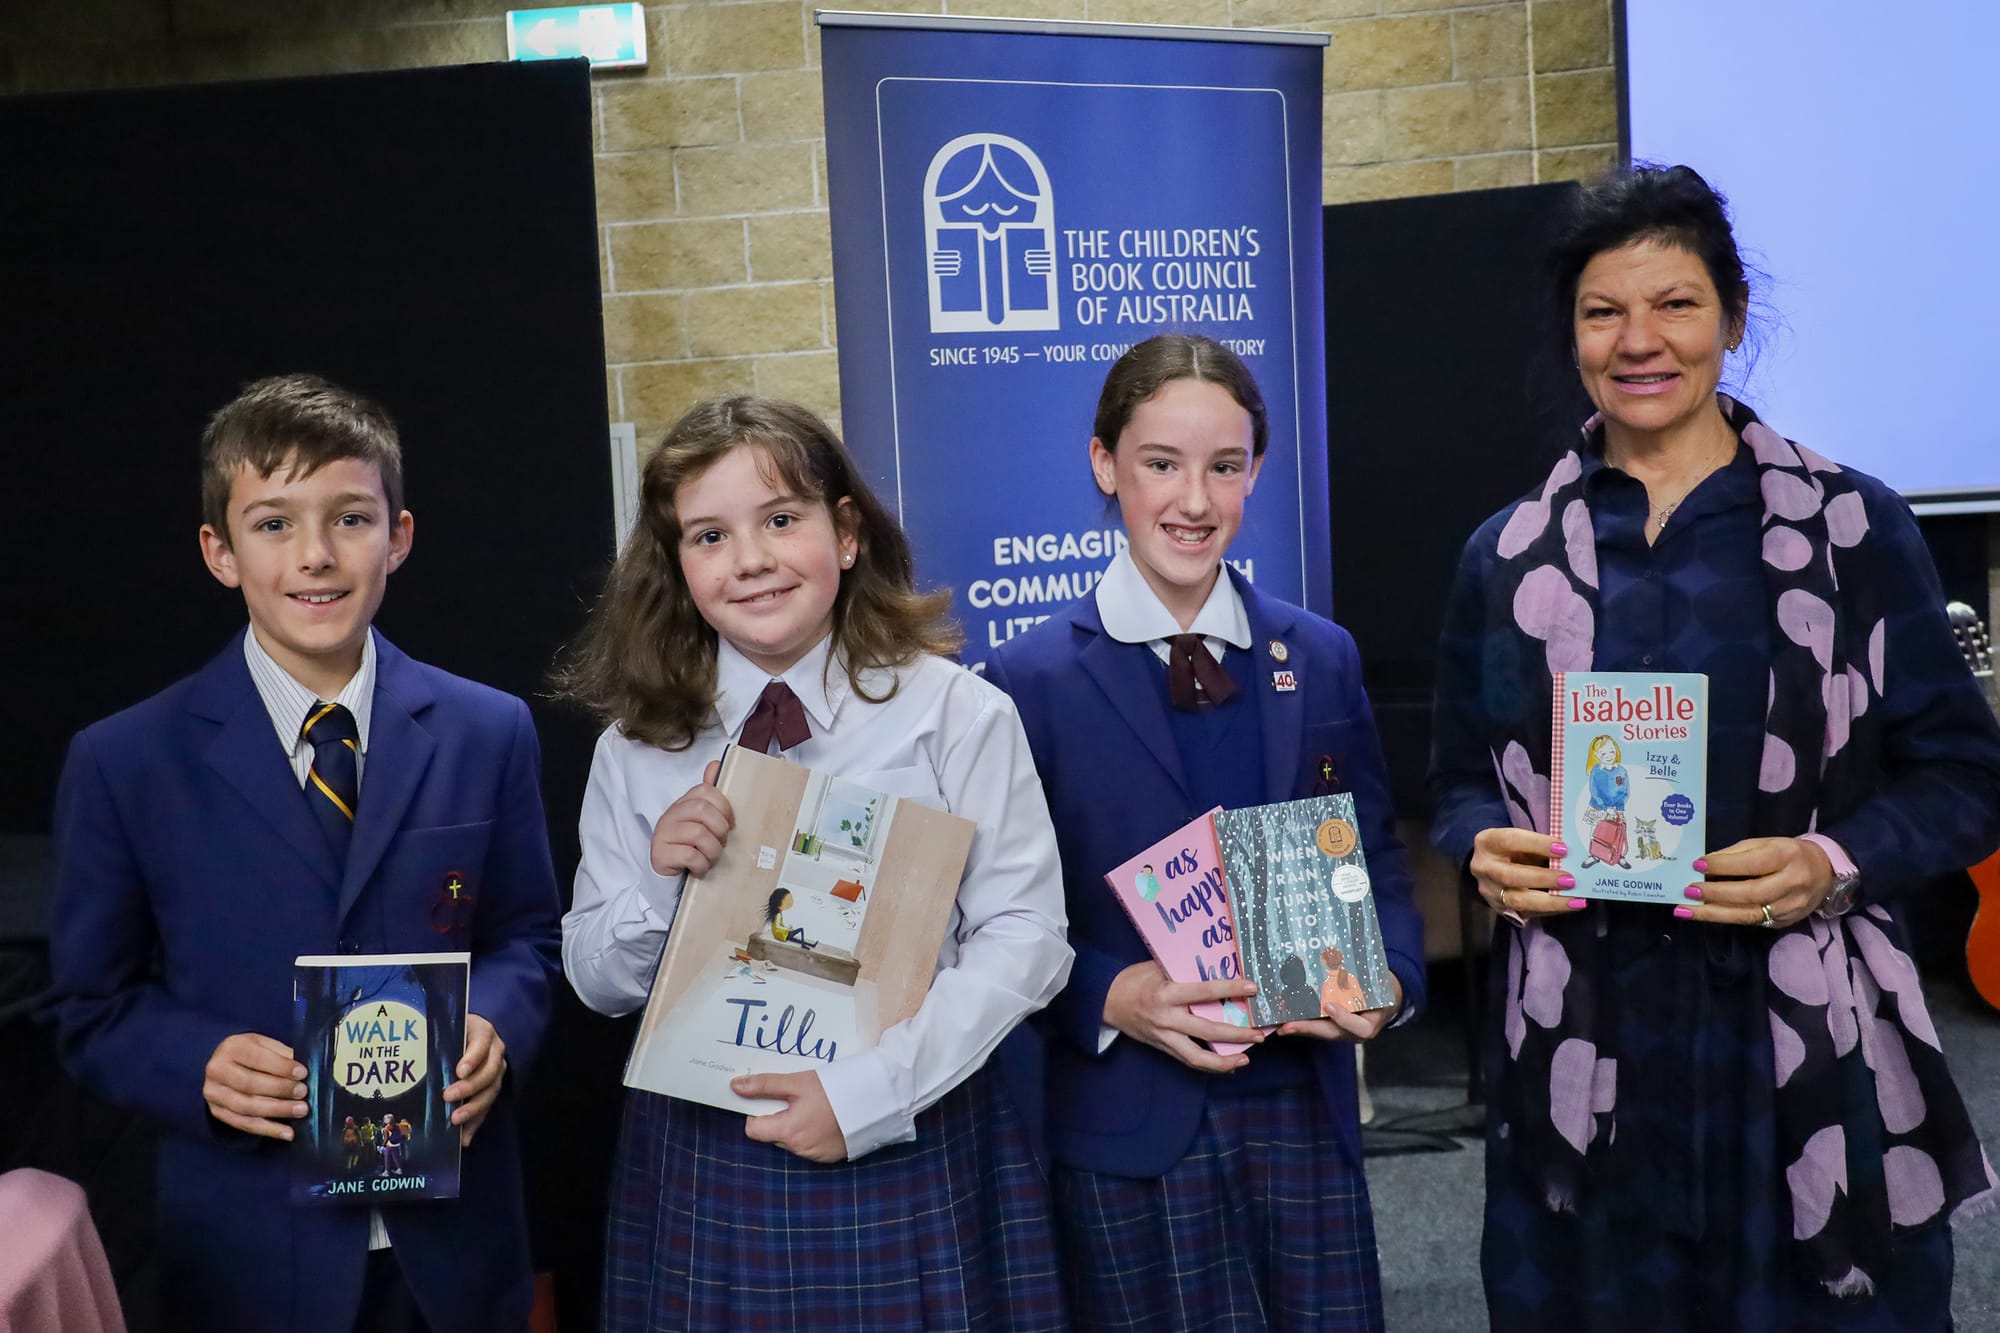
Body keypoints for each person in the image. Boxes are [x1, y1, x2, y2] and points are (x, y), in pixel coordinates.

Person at [1428, 164, 2000, 1330]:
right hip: (1585, 1040)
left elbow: (1964, 777)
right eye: (1602, 311)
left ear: (1731, 318)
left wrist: (1828, 864)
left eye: (1674, 303)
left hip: (1793, 1043)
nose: (1638, 341)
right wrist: (1476, 848)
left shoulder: (1851, 529)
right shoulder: (1508, 554)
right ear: (1572, 333)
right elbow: (1453, 778)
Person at [42, 374, 563, 1333]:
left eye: (350, 518)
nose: (316, 555)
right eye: (274, 523)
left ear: (398, 536)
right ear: (220, 552)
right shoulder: (126, 761)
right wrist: (195, 1062)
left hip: (454, 1246)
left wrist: (495, 1022)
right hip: (249, 1253)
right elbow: (87, 1004)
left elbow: (529, 937)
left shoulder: (491, 730)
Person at [557, 396, 1072, 1331]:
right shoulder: (638, 747)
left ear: (844, 534)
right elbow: (595, 981)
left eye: (781, 520)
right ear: (677, 564)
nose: (749, 559)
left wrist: (864, 1094)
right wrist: (655, 884)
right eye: (709, 535)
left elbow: (1027, 937)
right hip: (705, 1152)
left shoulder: (954, 713)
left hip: (909, 1129)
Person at [986, 333, 1426, 1331]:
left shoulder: (1317, 655)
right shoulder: (1025, 684)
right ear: (1104, 465)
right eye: (1160, 464)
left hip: (1301, 1110)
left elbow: (1376, 859)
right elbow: (998, 921)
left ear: (1253, 472)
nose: (1194, 499)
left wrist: (1391, 979)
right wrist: (1112, 994)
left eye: (1222, 467)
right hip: (1129, 1120)